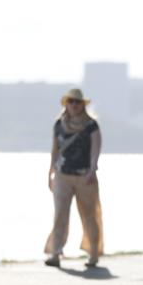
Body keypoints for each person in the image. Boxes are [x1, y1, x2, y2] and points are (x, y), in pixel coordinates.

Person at [44, 88, 104, 268]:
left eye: (77, 102)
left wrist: (92, 170)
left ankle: (93, 253)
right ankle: (55, 253)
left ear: (83, 105)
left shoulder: (91, 125)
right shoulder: (59, 124)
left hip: (85, 176)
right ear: (66, 104)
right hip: (62, 175)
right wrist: (50, 173)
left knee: (89, 215)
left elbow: (96, 149)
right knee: (60, 214)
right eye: (71, 102)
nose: (74, 105)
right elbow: (54, 150)